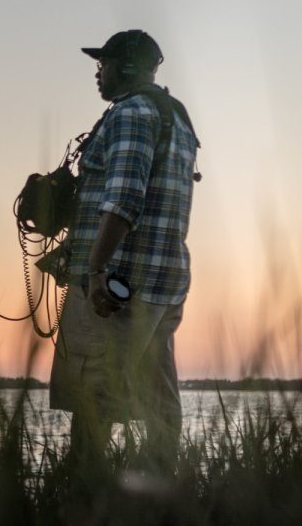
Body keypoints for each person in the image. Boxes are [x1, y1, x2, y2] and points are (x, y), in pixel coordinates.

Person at [49, 30, 199, 473]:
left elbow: (125, 199)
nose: (99, 73)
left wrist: (96, 271)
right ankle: (160, 494)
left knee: (93, 397)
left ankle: (85, 495)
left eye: (105, 64)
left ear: (128, 67)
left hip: (117, 288)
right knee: (158, 397)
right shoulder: (178, 119)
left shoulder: (131, 114)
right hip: (163, 283)